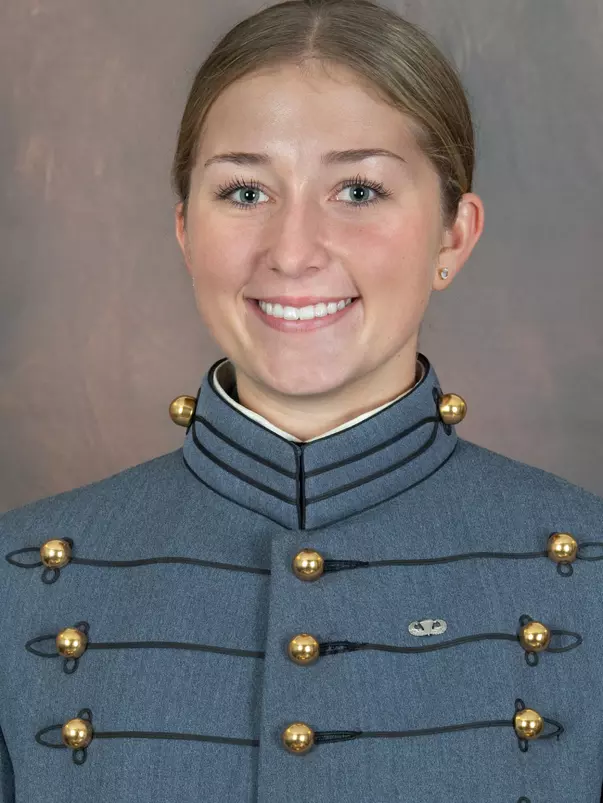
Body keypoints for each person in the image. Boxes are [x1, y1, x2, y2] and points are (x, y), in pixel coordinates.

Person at [1, 0, 602, 800]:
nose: (290, 252)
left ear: (452, 235)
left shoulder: (588, 573)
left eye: (357, 190)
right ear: (185, 228)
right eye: (245, 192)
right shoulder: (19, 578)